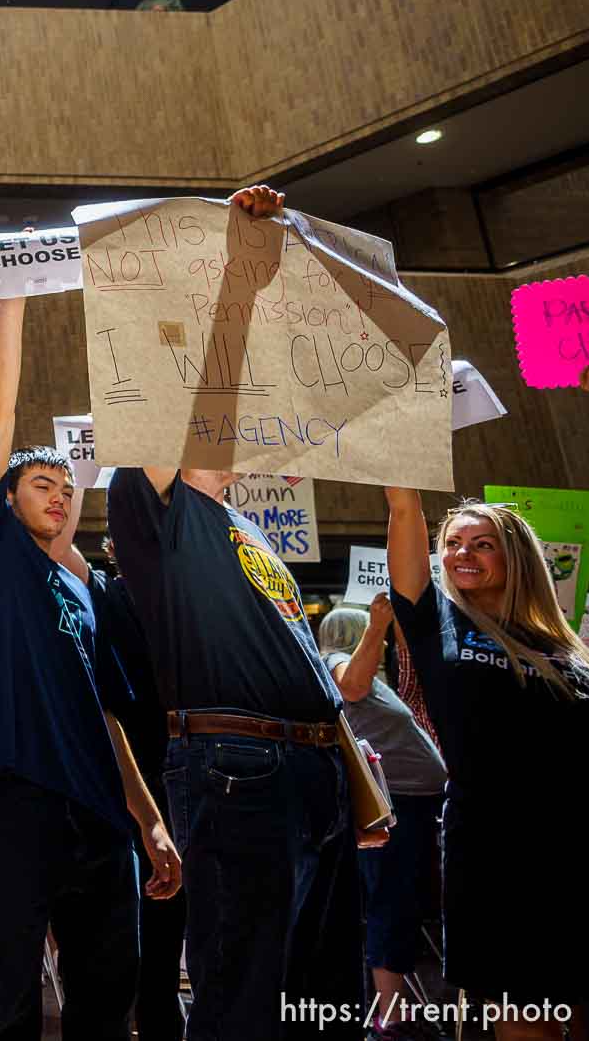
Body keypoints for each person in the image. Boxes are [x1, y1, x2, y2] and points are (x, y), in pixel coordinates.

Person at [104, 184, 367, 1038]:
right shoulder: (156, 515)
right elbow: (208, 392)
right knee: (244, 993)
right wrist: (239, 288)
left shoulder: (247, 528)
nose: (230, 422)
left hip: (312, 777)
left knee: (321, 995)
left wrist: (350, 771)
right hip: (234, 768)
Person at [0, 295, 179, 1041]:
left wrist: (147, 819)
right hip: (15, 802)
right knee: (11, 1006)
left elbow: (105, 715)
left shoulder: (83, 590)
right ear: (5, 502)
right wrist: (13, 303)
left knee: (105, 1003)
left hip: (101, 822)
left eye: (66, 488)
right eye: (40, 486)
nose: (57, 495)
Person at [383, 490, 589, 1040]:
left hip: (573, 854)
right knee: (526, 1014)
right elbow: (404, 513)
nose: (462, 554)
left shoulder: (562, 647)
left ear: (515, 557)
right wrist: (401, 483)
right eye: (452, 544)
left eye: (482, 544)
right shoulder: (440, 624)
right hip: (497, 857)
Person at [316, 601, 446, 1037]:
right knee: (391, 902)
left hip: (412, 804)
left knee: (399, 903)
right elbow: (350, 687)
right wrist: (379, 626)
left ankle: (396, 1010)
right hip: (398, 806)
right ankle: (390, 1015)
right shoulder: (338, 661)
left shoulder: (373, 678)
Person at [93, 536, 187, 1041]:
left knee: (170, 948)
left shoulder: (196, 602)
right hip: (131, 789)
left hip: (198, 784)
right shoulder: (104, 598)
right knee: (137, 947)